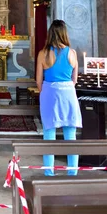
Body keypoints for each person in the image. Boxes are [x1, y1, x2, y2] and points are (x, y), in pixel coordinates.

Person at [36, 19, 82, 176]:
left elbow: (38, 81)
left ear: (50, 34)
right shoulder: (72, 53)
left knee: (49, 134)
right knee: (70, 134)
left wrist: (46, 93)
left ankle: (49, 173)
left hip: (50, 93)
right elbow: (74, 80)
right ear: (64, 34)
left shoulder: (43, 54)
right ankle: (72, 173)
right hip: (68, 94)